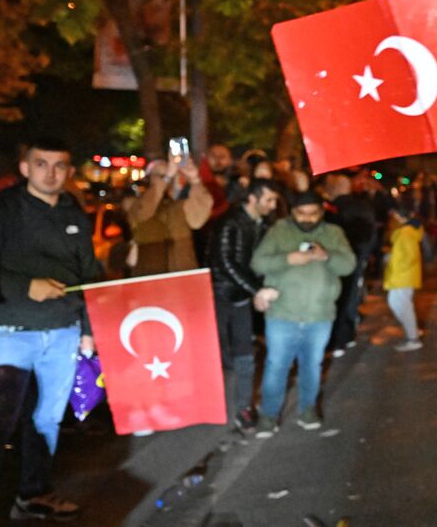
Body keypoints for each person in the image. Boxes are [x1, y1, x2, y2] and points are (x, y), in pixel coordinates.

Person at [0, 138, 102, 521]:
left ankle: (35, 493)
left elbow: (90, 274)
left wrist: (88, 327)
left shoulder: (74, 213)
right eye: (41, 164)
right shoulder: (2, 210)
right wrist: (25, 287)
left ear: (69, 171)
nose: (50, 173)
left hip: (63, 332)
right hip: (11, 332)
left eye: (59, 165)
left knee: (47, 419)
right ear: (24, 168)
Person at [250, 191, 355, 434]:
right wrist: (288, 259)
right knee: (276, 366)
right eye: (301, 213)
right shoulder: (279, 231)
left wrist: (326, 256)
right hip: (282, 314)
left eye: (313, 213)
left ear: (322, 212)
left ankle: (308, 409)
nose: (307, 218)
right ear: (292, 212)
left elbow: (348, 265)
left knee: (312, 366)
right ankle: (268, 415)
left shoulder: (333, 233)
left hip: (319, 315)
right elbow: (258, 263)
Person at [207, 179, 280, 432]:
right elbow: (225, 263)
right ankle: (212, 406)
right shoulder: (229, 223)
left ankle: (243, 407)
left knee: (245, 354)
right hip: (220, 296)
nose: (273, 205)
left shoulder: (263, 225)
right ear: (252, 198)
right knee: (218, 354)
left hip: (242, 298)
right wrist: (257, 290)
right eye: (269, 199)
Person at [127, 154, 213, 277]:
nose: (168, 178)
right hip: (150, 277)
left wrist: (195, 180)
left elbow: (198, 220)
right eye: (160, 175)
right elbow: (142, 213)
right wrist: (166, 178)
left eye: (171, 174)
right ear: (148, 178)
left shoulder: (181, 203)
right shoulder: (135, 203)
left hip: (183, 275)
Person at [324, 172, 379, 357]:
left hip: (338, 259)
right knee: (351, 296)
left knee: (339, 298)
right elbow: (371, 234)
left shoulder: (333, 210)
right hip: (357, 257)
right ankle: (346, 334)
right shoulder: (362, 205)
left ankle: (338, 339)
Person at [383, 202, 424, 352]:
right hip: (404, 274)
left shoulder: (405, 233)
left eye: (394, 216)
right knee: (401, 304)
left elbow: (409, 256)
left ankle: (413, 337)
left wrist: (393, 261)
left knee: (400, 305)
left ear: (400, 217)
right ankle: (412, 331)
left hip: (401, 275)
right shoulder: (409, 231)